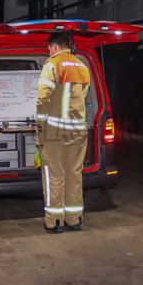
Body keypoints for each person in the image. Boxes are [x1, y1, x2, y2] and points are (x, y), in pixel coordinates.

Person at [36, 32, 90, 234]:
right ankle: (74, 219)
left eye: (49, 48)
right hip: (77, 130)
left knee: (54, 175)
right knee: (74, 174)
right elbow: (81, 98)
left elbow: (43, 99)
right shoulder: (83, 66)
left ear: (55, 47)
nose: (49, 52)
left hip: (55, 132)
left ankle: (54, 221)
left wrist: (40, 127)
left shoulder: (52, 65)